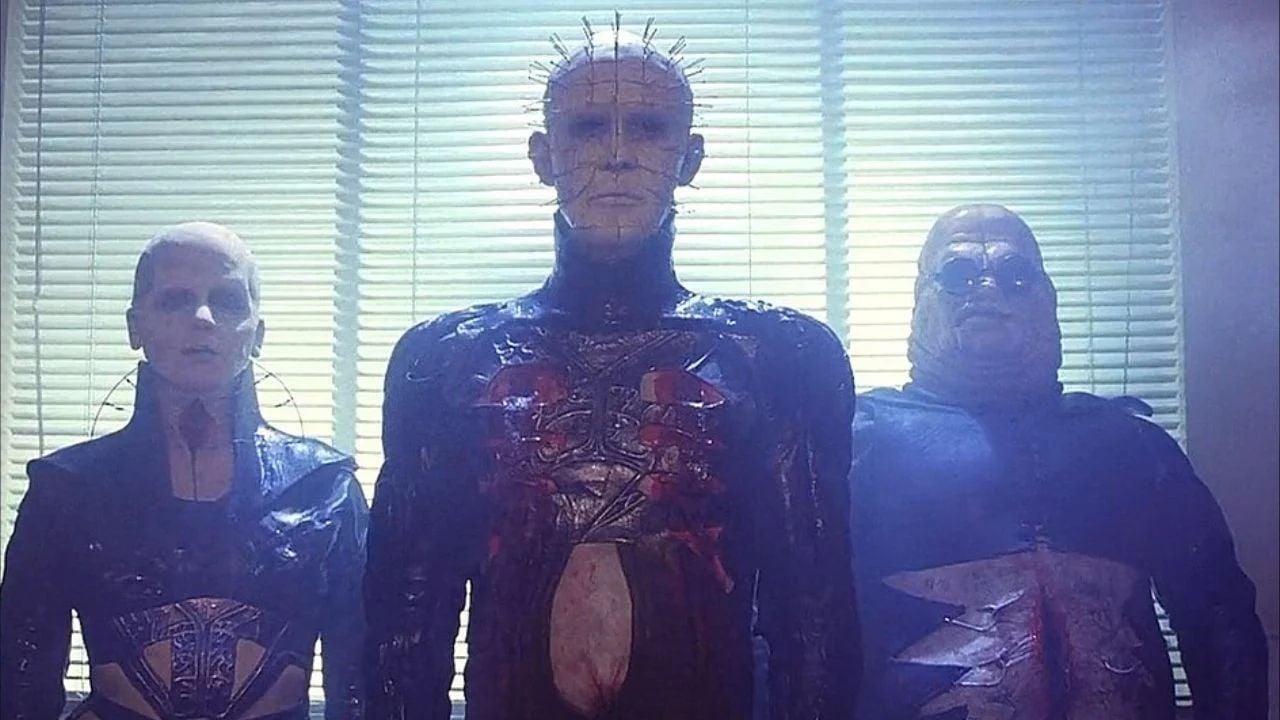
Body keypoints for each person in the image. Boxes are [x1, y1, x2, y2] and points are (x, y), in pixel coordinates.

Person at [364, 24, 860, 720]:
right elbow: (405, 622)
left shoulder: (778, 358)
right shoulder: (449, 359)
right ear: (544, 157)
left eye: (649, 128)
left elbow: (813, 614)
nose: (618, 154)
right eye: (588, 126)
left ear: (689, 158)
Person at [849, 204, 1269, 719]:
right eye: (958, 274)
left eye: (1015, 274)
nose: (987, 289)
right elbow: (800, 626)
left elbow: (1220, 617)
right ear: (922, 299)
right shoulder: (857, 443)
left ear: (1048, 300)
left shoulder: (1133, 448)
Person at [0, 222, 368, 720]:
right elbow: (21, 676)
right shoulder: (66, 492)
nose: (202, 319)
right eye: (175, 300)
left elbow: (361, 678)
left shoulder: (324, 489)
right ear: (135, 327)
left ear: (257, 332)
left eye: (228, 301)